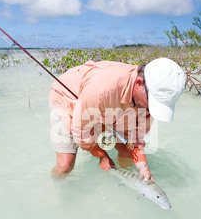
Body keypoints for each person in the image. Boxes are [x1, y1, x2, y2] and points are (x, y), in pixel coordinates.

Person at [49, 57, 186, 181]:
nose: (150, 110)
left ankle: (123, 180)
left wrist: (143, 168)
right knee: (65, 166)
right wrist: (102, 156)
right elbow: (81, 131)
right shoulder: (102, 89)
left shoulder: (146, 103)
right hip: (67, 98)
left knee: (126, 151)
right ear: (139, 83)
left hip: (104, 107)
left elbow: (134, 139)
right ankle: (54, 187)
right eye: (152, 103)